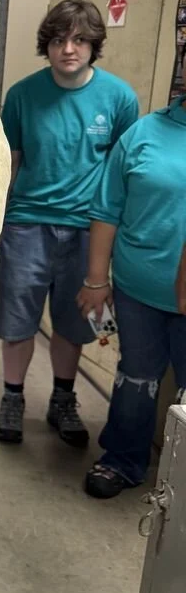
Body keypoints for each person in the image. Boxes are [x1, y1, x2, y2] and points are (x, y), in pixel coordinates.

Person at [0, 0, 138, 446]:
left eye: (79, 40)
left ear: (95, 45)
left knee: (74, 325)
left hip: (86, 231)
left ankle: (62, 398)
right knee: (17, 322)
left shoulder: (119, 99)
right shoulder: (22, 96)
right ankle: (12, 398)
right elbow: (9, 163)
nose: (68, 49)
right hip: (26, 225)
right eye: (58, 40)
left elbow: (119, 173)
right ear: (47, 46)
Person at [77, 95, 186, 498]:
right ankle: (122, 460)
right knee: (137, 379)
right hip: (140, 290)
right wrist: (94, 279)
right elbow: (107, 209)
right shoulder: (144, 134)